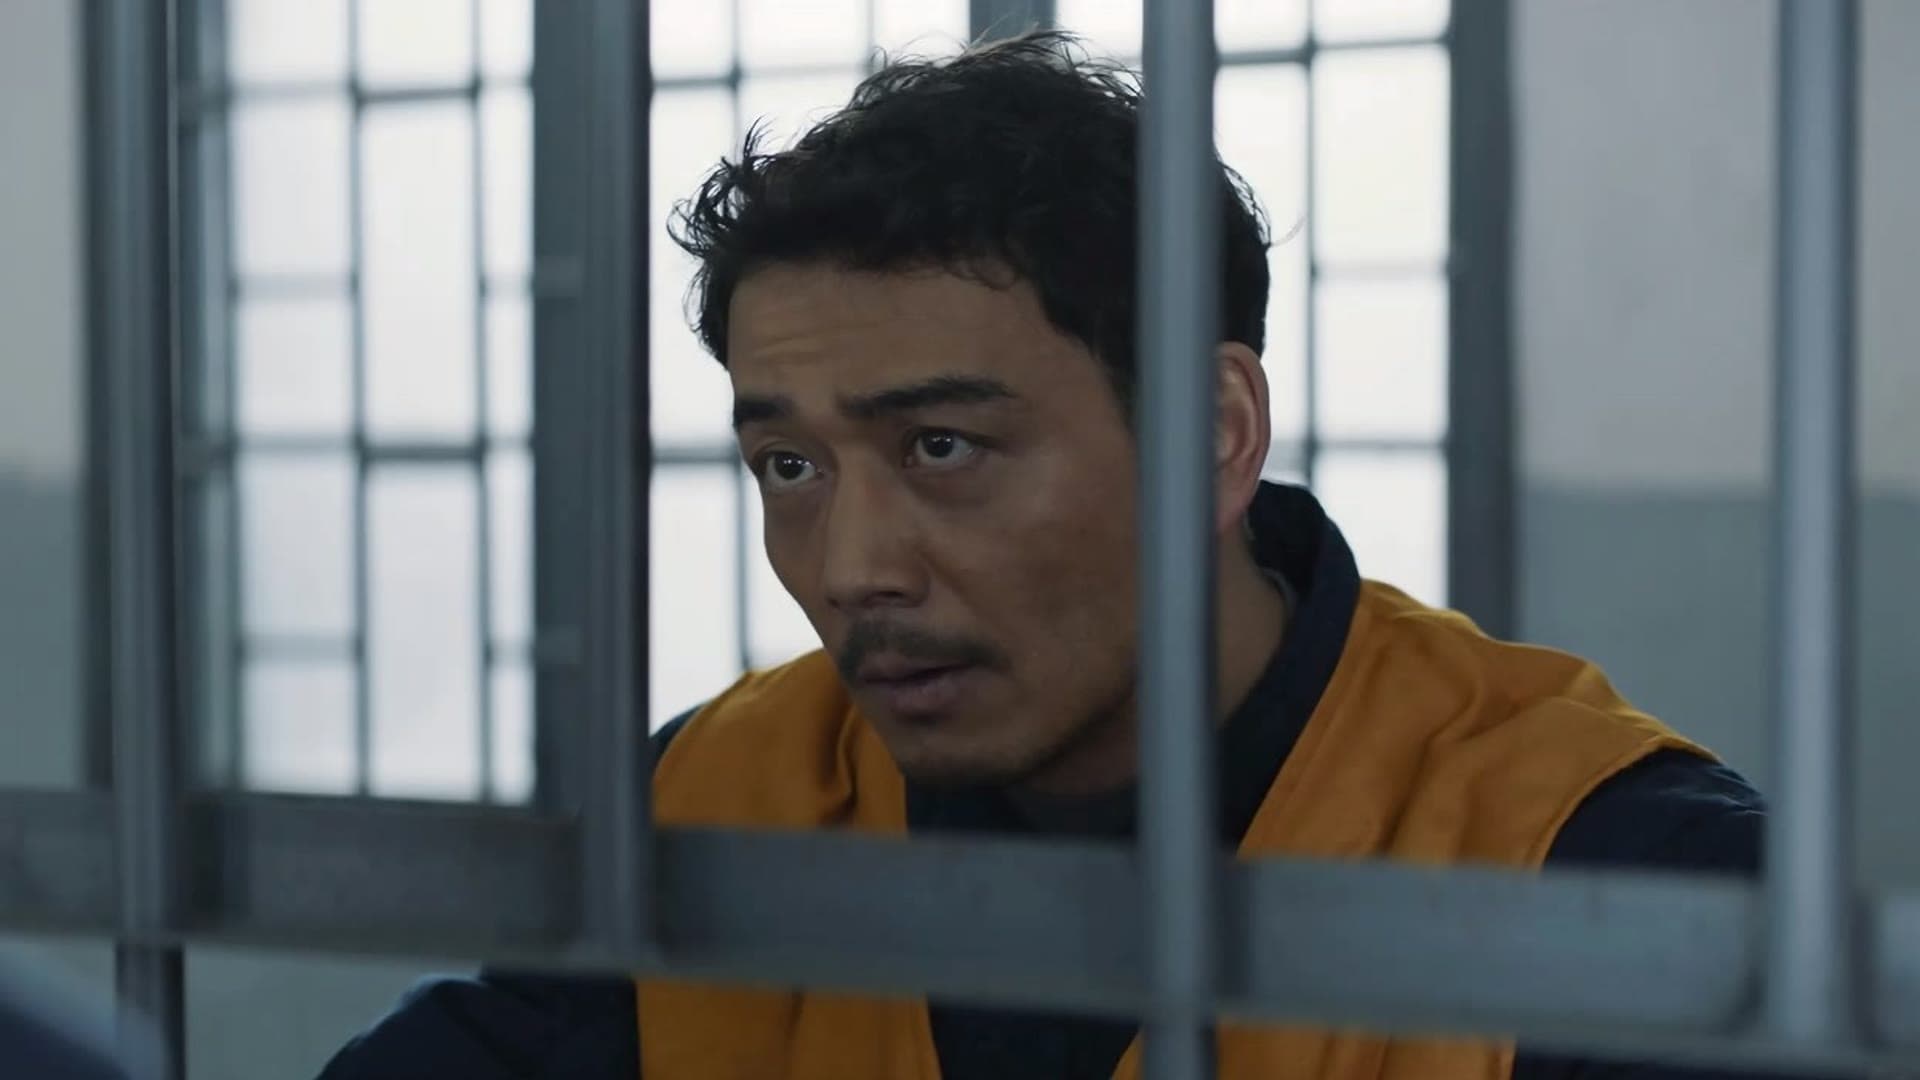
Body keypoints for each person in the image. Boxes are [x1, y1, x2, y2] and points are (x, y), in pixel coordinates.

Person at [320, 31, 1789, 1080]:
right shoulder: (720, 803)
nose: (852, 567)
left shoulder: (1605, 870)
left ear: (1215, 435)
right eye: (790, 466)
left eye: (942, 447)